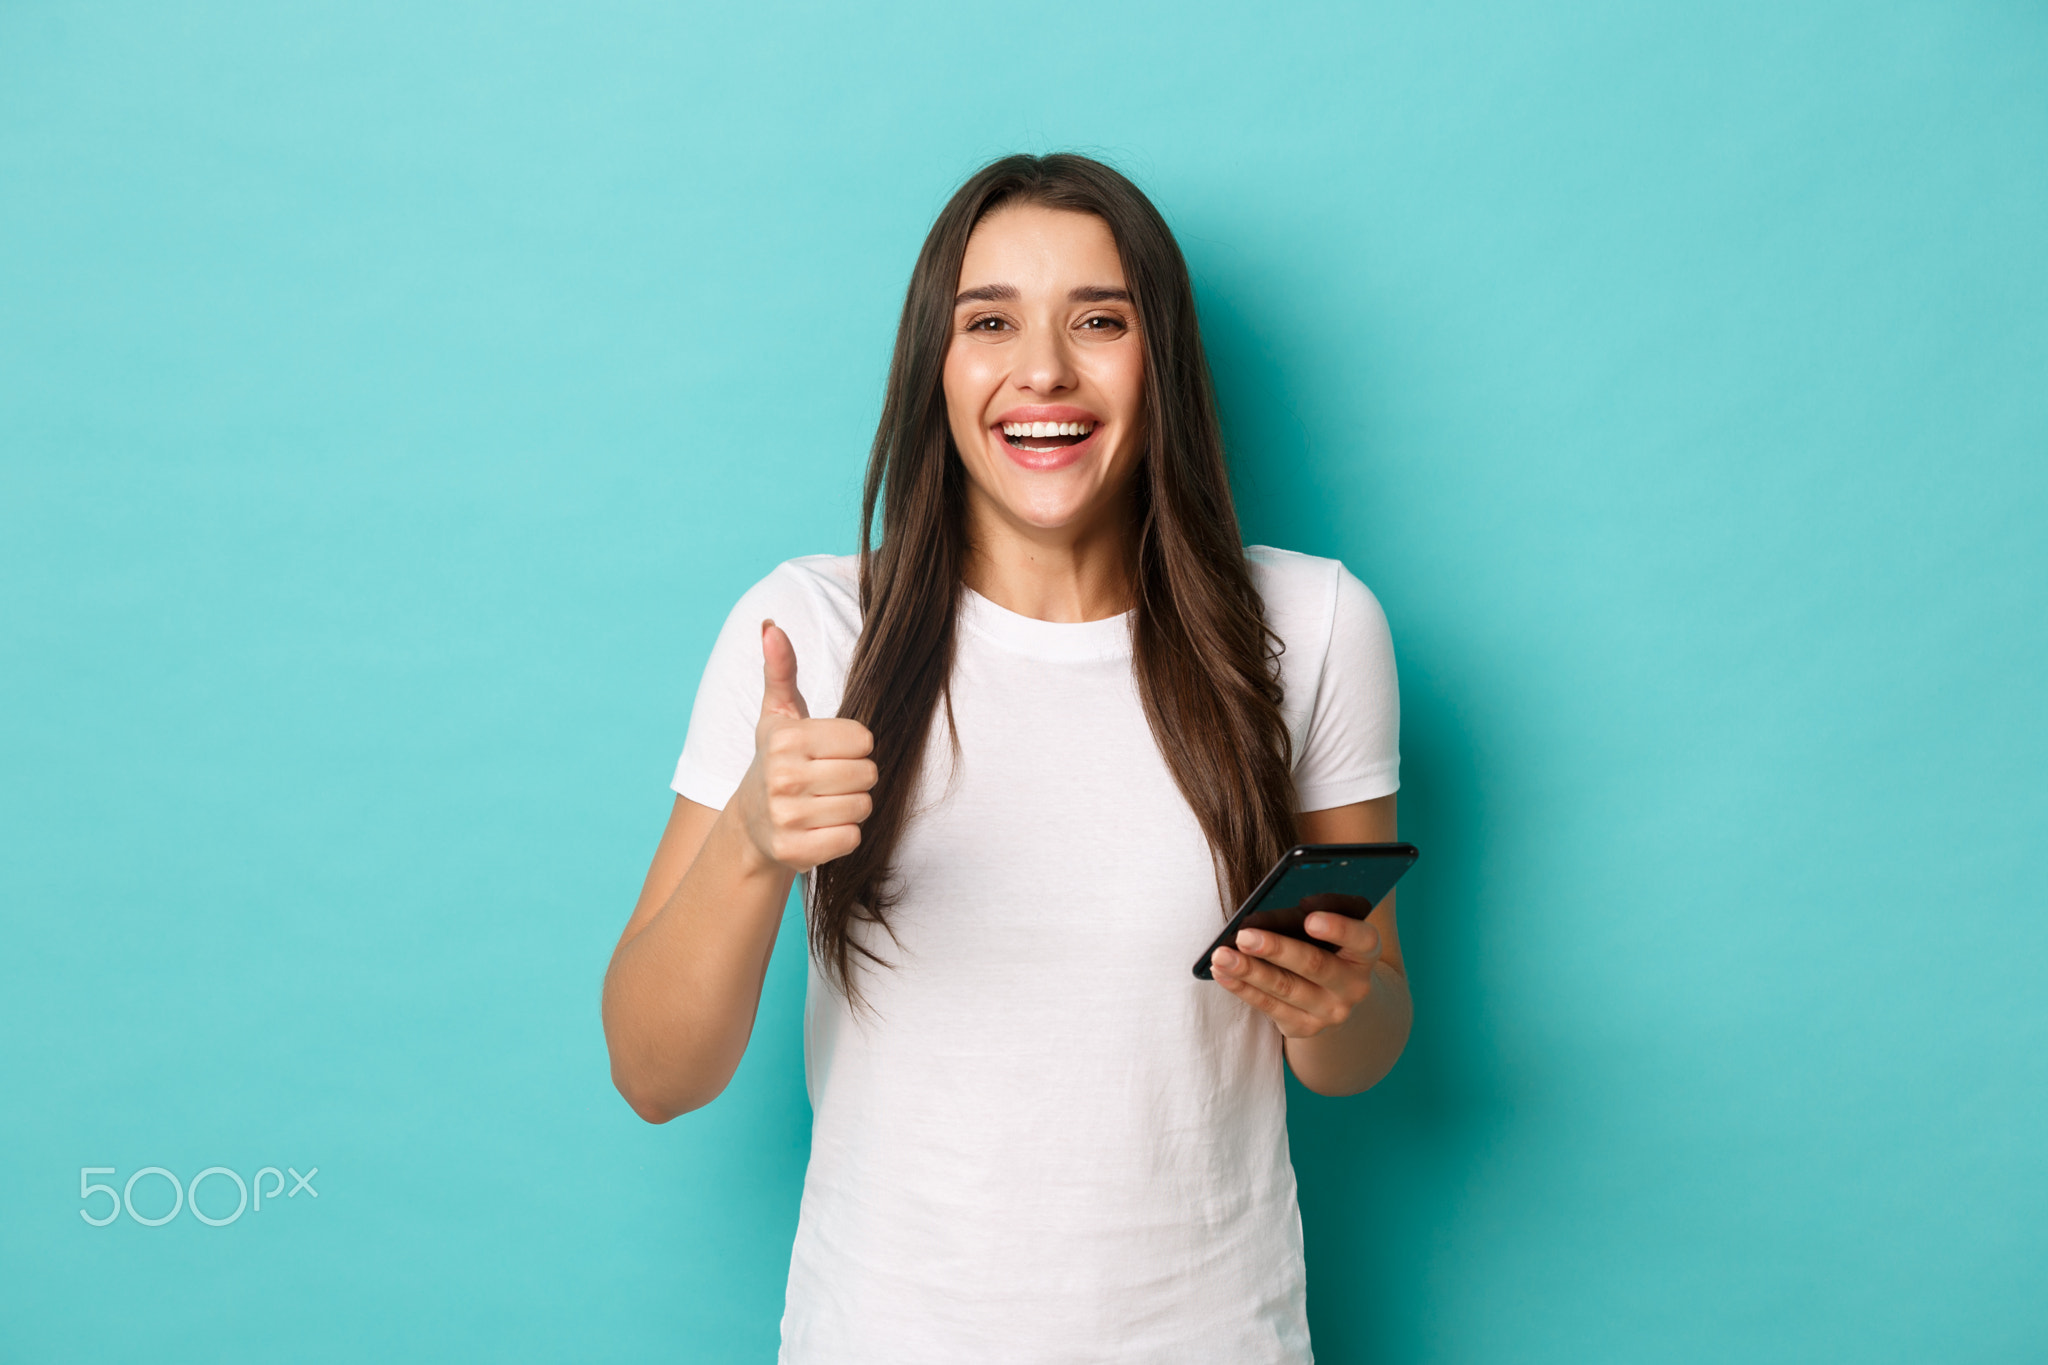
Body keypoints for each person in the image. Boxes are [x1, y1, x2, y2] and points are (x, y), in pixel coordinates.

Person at [600, 153, 1408, 1364]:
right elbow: (654, 1074)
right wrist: (751, 844)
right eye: (989, 323)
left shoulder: (1312, 626)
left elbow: (1357, 1045)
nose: (1042, 369)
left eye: (1098, 320)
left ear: (1162, 363)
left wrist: (1336, 1001)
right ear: (936, 366)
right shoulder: (812, 633)